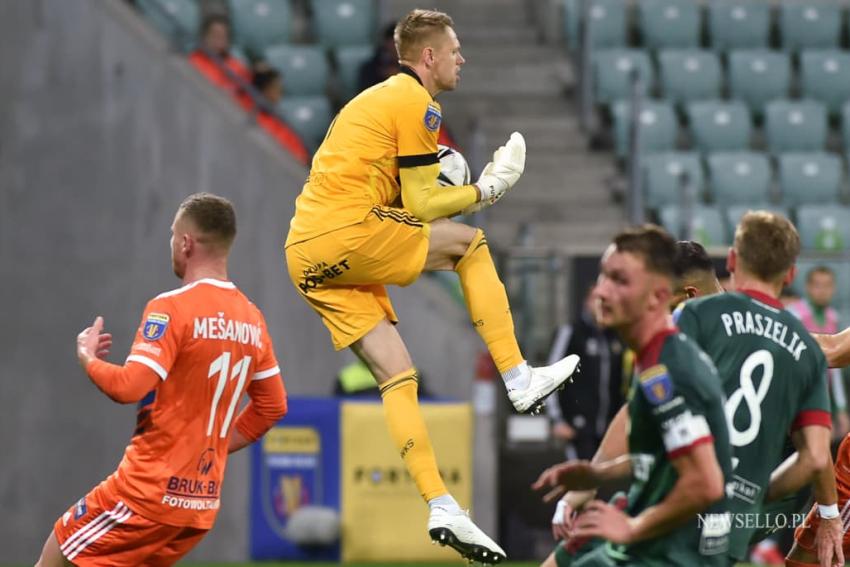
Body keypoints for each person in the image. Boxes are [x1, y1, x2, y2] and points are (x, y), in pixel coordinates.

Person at [283, 8, 579, 563]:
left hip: (305, 253)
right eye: (455, 49)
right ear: (429, 57)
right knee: (471, 245)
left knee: (398, 375)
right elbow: (423, 206)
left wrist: (444, 178)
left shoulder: (379, 102)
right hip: (348, 232)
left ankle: (441, 504)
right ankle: (517, 375)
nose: (462, 58)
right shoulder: (417, 101)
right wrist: (487, 188)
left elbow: (403, 197)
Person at [539, 216, 843, 567]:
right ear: (789, 275)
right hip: (749, 506)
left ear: (731, 261)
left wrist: (593, 481)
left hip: (694, 504)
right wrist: (823, 511)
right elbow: (815, 454)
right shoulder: (801, 343)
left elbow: (638, 413)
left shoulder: (693, 320)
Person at [35, 193, 287, 566]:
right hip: (198, 505)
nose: (171, 243)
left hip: (144, 494)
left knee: (53, 556)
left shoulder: (172, 308)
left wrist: (87, 357)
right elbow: (272, 406)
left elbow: (129, 386)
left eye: (172, 234)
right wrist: (213, 446)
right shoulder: (252, 319)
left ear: (185, 242)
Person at [533, 225, 734, 566]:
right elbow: (663, 456)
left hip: (671, 549)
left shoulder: (670, 370)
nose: (602, 292)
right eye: (604, 277)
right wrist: (597, 476)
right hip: (653, 525)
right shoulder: (655, 357)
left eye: (620, 281)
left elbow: (706, 483)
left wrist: (633, 527)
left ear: (659, 296)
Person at [545, 289, 629, 461]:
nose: (602, 304)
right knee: (582, 480)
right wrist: (556, 420)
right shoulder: (571, 332)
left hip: (608, 428)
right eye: (596, 299)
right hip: (578, 427)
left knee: (603, 482)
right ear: (586, 302)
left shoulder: (615, 337)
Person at [788, 266, 850, 441]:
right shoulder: (793, 315)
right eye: (817, 285)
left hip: (821, 399)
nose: (822, 291)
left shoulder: (833, 317)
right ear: (807, 287)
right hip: (795, 400)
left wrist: (841, 408)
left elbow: (835, 361)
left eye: (827, 285)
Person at [251, 65, 310, 165]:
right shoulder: (255, 121)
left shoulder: (281, 119)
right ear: (265, 90)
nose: (279, 92)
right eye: (275, 87)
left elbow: (301, 156)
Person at [188, 14, 251, 103]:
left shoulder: (238, 68)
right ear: (205, 37)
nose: (218, 41)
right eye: (214, 35)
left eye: (222, 37)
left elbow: (247, 100)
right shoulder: (193, 61)